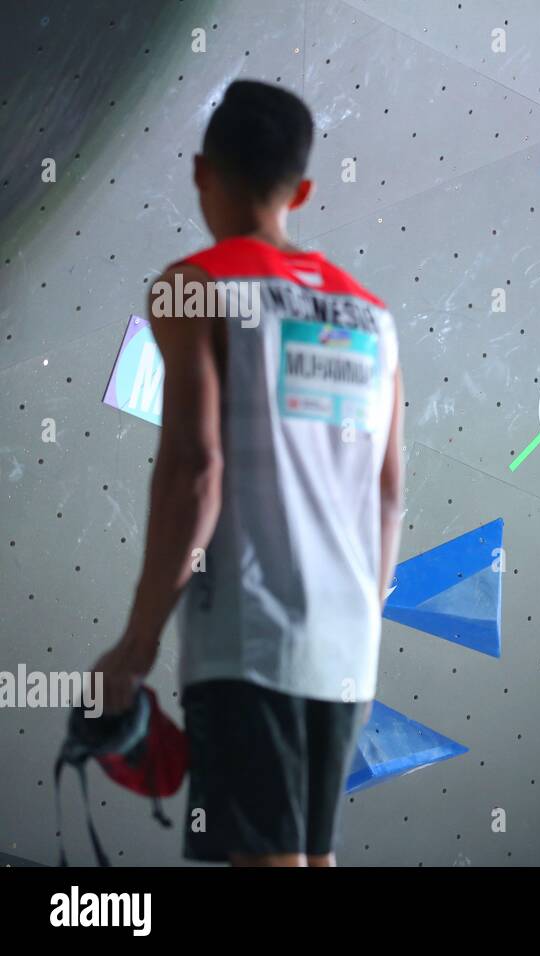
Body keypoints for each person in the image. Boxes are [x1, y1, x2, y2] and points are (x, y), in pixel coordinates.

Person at [91, 80, 405, 866]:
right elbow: (389, 495)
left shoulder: (192, 285)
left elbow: (196, 468)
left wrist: (136, 642)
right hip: (346, 641)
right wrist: (354, 617)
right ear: (302, 189)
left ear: (202, 172)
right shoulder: (373, 316)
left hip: (251, 635)